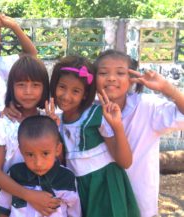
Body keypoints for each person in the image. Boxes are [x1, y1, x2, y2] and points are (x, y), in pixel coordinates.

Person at [94, 49, 184, 217]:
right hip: (99, 202)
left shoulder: (147, 107)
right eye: (103, 72)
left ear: (132, 80)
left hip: (140, 202)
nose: (111, 78)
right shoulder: (88, 111)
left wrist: (167, 88)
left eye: (120, 73)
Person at [49, 55, 140, 217]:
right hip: (78, 188)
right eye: (62, 87)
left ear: (85, 94)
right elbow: (61, 160)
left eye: (76, 91)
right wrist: (53, 131)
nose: (66, 95)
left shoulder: (96, 115)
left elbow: (125, 162)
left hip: (105, 186)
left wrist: (117, 126)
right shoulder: (57, 120)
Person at [0, 54, 61, 217]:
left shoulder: (50, 122)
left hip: (47, 204)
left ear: (44, 88)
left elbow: (60, 162)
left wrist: (54, 129)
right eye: (21, 85)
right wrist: (29, 195)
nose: (28, 92)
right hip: (11, 204)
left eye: (35, 85)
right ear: (11, 88)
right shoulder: (3, 125)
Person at [0, 115, 81, 217]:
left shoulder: (66, 178)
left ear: (57, 149)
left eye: (45, 153)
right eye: (30, 155)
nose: (38, 163)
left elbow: (74, 212)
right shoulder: (15, 174)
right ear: (21, 151)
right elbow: (3, 209)